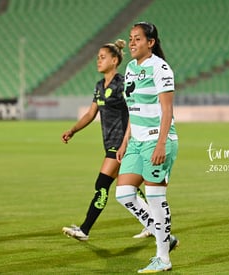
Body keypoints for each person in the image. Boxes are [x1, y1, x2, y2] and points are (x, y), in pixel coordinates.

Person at [61, 39, 149, 241]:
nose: (98, 61)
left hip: (121, 143)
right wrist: (73, 130)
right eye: (97, 58)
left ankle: (84, 229)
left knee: (102, 184)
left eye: (102, 57)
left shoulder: (122, 84)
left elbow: (135, 111)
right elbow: (91, 113)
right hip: (111, 143)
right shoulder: (99, 86)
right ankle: (152, 223)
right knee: (129, 187)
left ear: (115, 60)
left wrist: (128, 140)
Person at [115, 22, 179, 273]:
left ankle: (163, 258)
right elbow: (133, 108)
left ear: (150, 42)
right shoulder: (130, 67)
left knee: (155, 197)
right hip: (136, 141)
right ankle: (163, 234)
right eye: (130, 39)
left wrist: (161, 143)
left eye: (137, 39)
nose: (132, 43)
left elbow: (167, 110)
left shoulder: (160, 68)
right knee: (124, 194)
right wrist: (125, 141)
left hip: (157, 140)